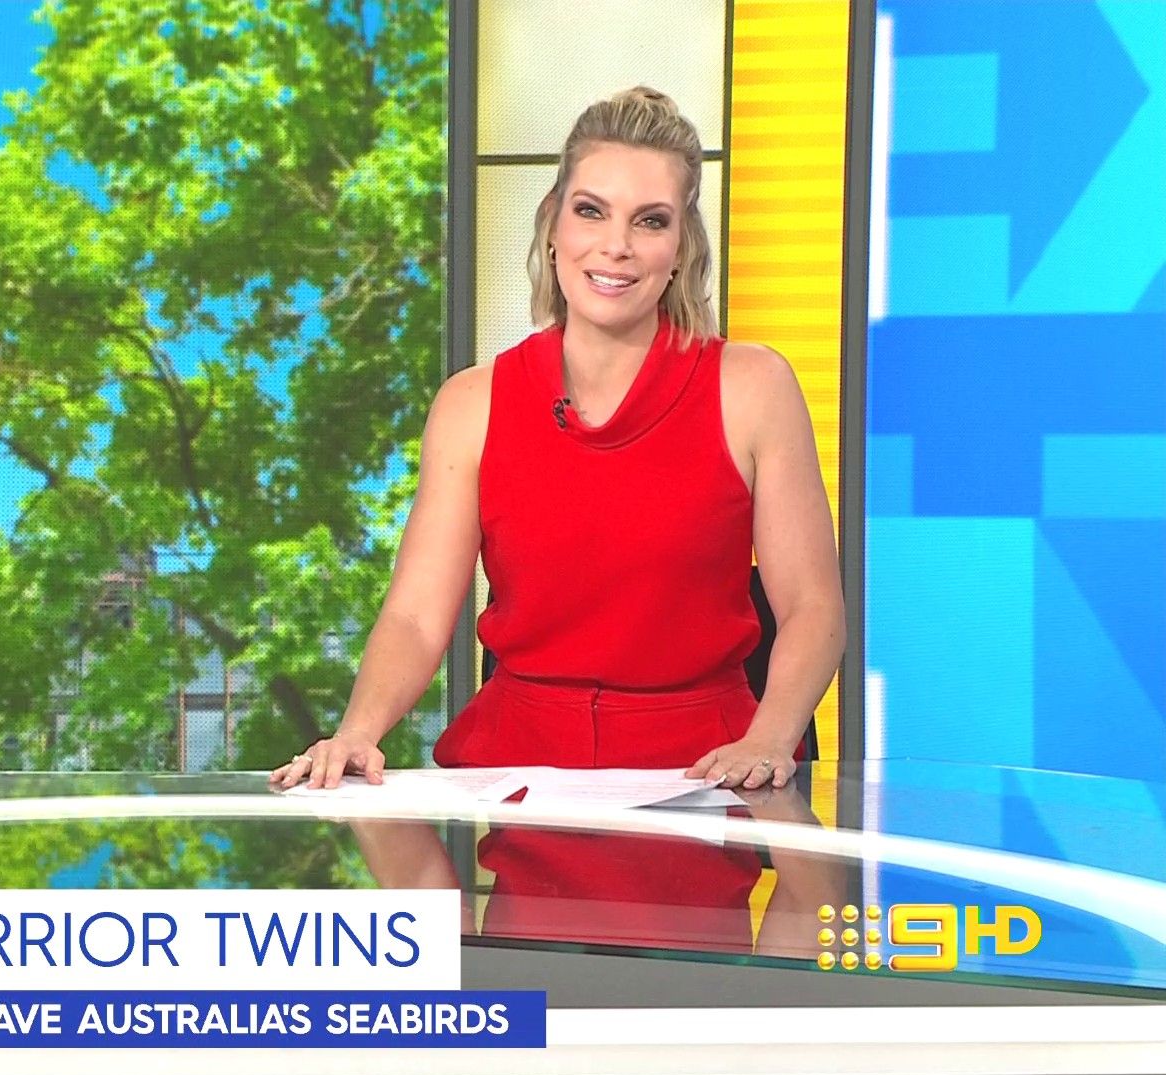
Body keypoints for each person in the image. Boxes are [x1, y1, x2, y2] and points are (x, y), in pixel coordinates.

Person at [272, 87, 845, 949]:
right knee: (526, 996)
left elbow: (813, 607)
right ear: (552, 225)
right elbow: (419, 614)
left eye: (651, 221)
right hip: (524, 782)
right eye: (591, 210)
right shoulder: (472, 403)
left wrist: (770, 740)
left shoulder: (753, 387)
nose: (616, 246)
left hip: (705, 780)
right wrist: (357, 732)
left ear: (683, 248)